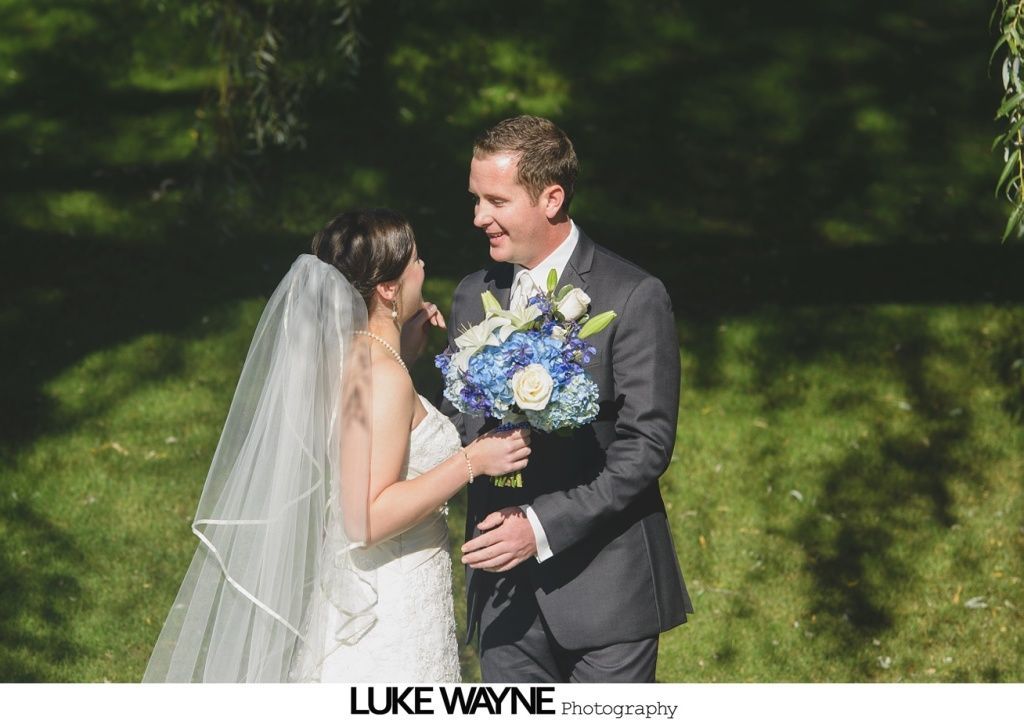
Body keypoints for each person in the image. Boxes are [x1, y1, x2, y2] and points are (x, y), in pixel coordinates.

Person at [143, 209, 531, 682]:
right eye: (415, 260)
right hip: (391, 604)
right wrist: (471, 461)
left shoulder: (349, 359)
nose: (423, 266)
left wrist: (405, 350)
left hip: (360, 588)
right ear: (388, 288)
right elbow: (366, 518)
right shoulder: (382, 377)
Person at [441, 116, 693, 683]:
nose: (479, 216)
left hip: (605, 586)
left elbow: (645, 446)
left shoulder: (632, 296)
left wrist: (541, 525)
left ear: (550, 198)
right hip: (501, 591)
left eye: (496, 200)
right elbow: (458, 420)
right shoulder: (471, 294)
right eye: (476, 199)